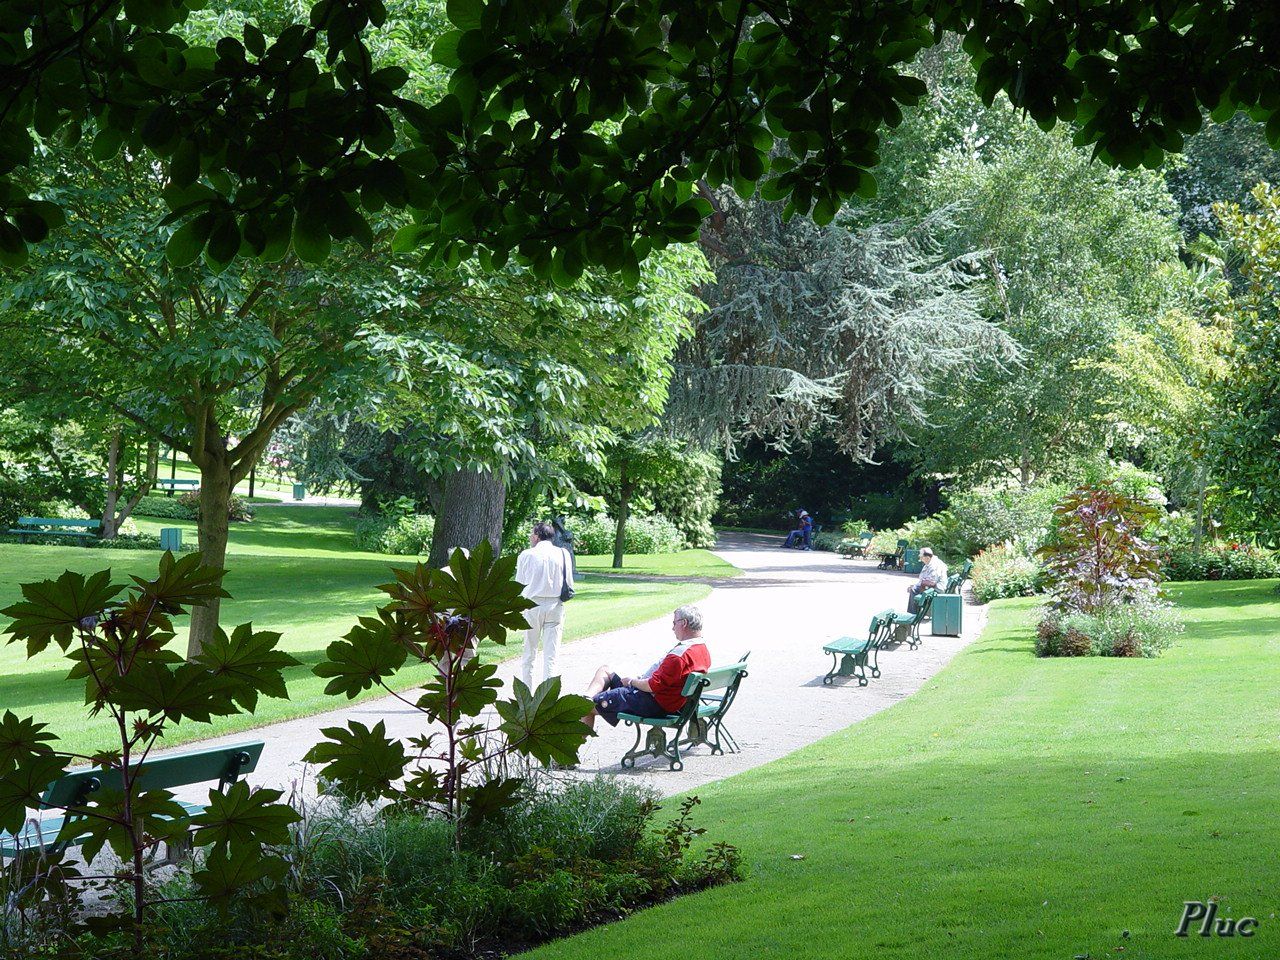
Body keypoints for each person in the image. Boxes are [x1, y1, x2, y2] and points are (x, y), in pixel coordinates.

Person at [584, 605, 711, 731]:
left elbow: (652, 686)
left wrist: (631, 681)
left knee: (585, 707)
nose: (672, 628)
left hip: (650, 703)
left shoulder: (680, 656)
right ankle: (586, 696)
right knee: (605, 670)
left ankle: (574, 748)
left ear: (684, 623)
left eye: (674, 622)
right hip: (670, 702)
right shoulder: (701, 649)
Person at [515, 520, 575, 689]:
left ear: (537, 536)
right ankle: (548, 696)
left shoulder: (526, 555)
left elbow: (519, 584)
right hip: (555, 605)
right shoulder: (563, 554)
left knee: (529, 653)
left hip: (532, 605)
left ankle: (526, 695)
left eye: (531, 533)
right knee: (551, 655)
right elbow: (569, 583)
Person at [907, 547, 948, 612]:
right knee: (914, 587)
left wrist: (917, 586)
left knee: (913, 590)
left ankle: (913, 614)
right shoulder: (930, 562)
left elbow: (932, 582)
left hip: (936, 589)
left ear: (927, 557)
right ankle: (914, 612)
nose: (920, 558)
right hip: (931, 587)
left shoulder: (934, 565)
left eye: (921, 556)